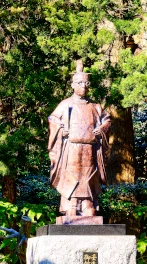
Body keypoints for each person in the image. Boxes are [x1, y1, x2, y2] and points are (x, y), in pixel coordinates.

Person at [48, 60, 111, 218]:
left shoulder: (95, 107)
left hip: (89, 147)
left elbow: (107, 121)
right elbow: (53, 119)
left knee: (89, 173)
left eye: (86, 82)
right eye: (80, 82)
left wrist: (101, 130)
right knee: (72, 174)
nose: (83, 86)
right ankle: (72, 205)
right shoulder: (66, 104)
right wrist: (61, 130)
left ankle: (88, 203)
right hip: (72, 147)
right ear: (73, 85)